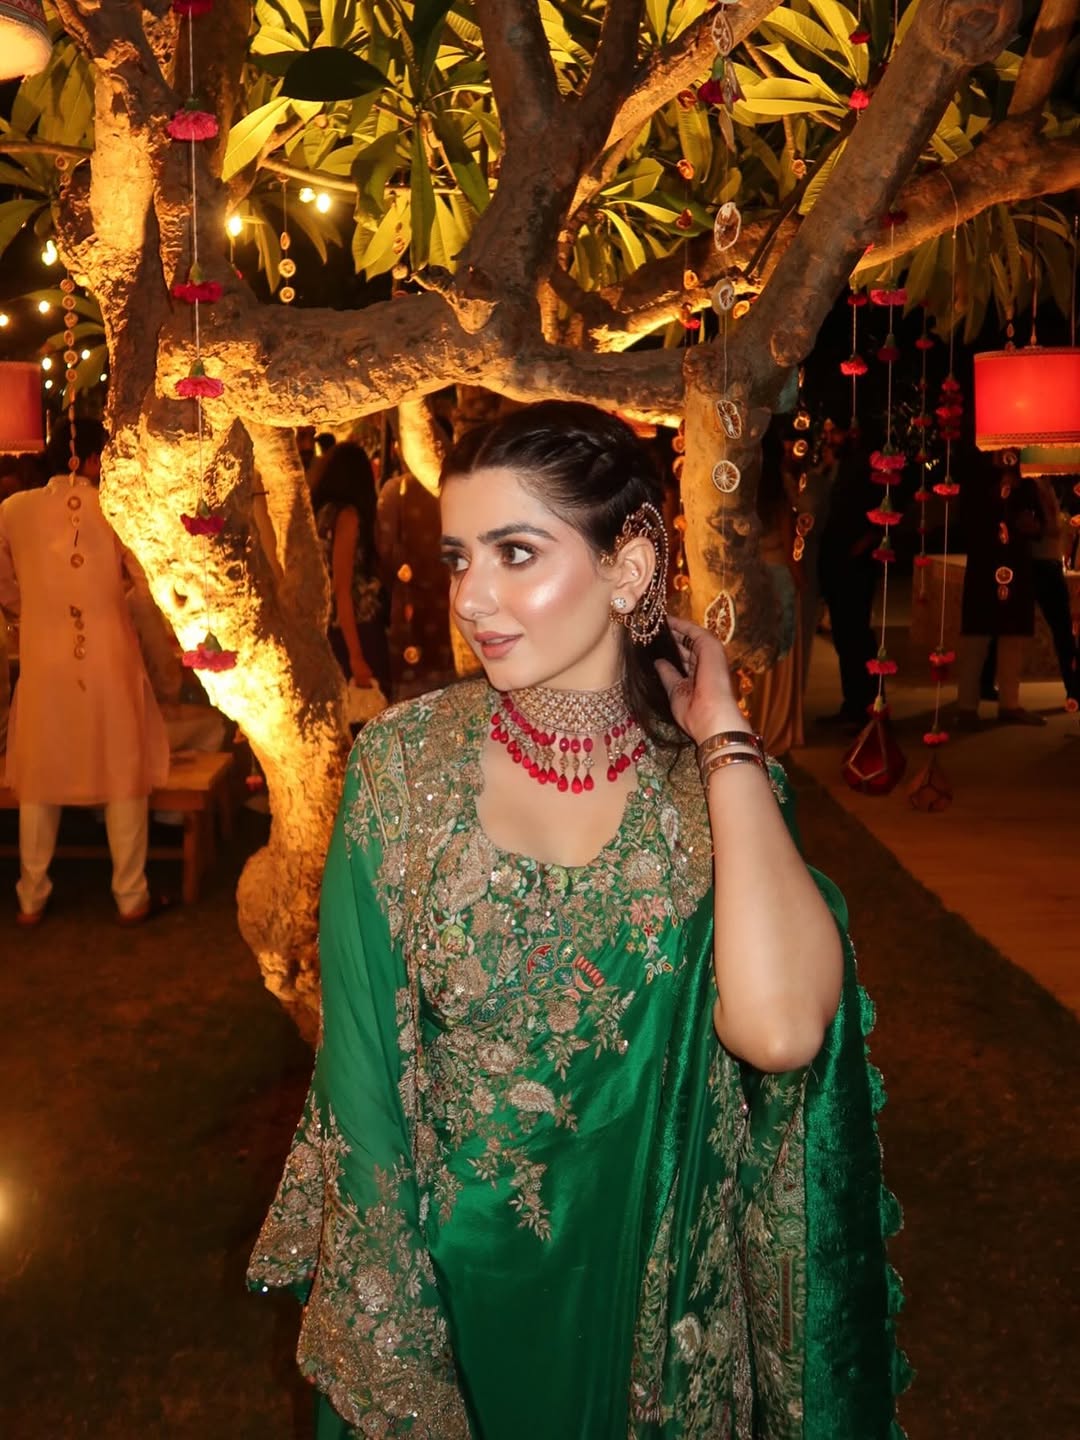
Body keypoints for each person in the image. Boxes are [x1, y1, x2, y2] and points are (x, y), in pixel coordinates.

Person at [249, 401, 907, 1439]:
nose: (472, 597)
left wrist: (721, 729)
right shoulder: (402, 770)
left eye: (516, 553)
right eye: (460, 558)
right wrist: (407, 1367)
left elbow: (781, 1033)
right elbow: (361, 1090)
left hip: (658, 1316)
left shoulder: (720, 794)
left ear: (629, 568)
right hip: (451, 1308)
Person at [0, 419, 169, 923]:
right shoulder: (116, 508)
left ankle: (31, 896)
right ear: (92, 460)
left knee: (41, 771)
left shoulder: (12, 511)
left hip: (44, 655)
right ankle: (131, 894)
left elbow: (3, 583)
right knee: (122, 766)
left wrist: (30, 613)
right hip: (110, 655)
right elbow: (146, 582)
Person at [955, 449, 1045, 727]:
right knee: (976, 638)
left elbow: (1039, 522)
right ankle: (967, 708)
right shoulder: (977, 477)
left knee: (1013, 637)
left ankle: (1010, 703)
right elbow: (966, 520)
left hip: (1017, 564)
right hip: (984, 564)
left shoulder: (1027, 482)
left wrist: (1032, 526)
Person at [312, 440, 391, 696]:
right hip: (355, 626)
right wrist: (356, 655)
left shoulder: (321, 513)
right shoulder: (347, 517)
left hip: (329, 626)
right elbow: (343, 588)